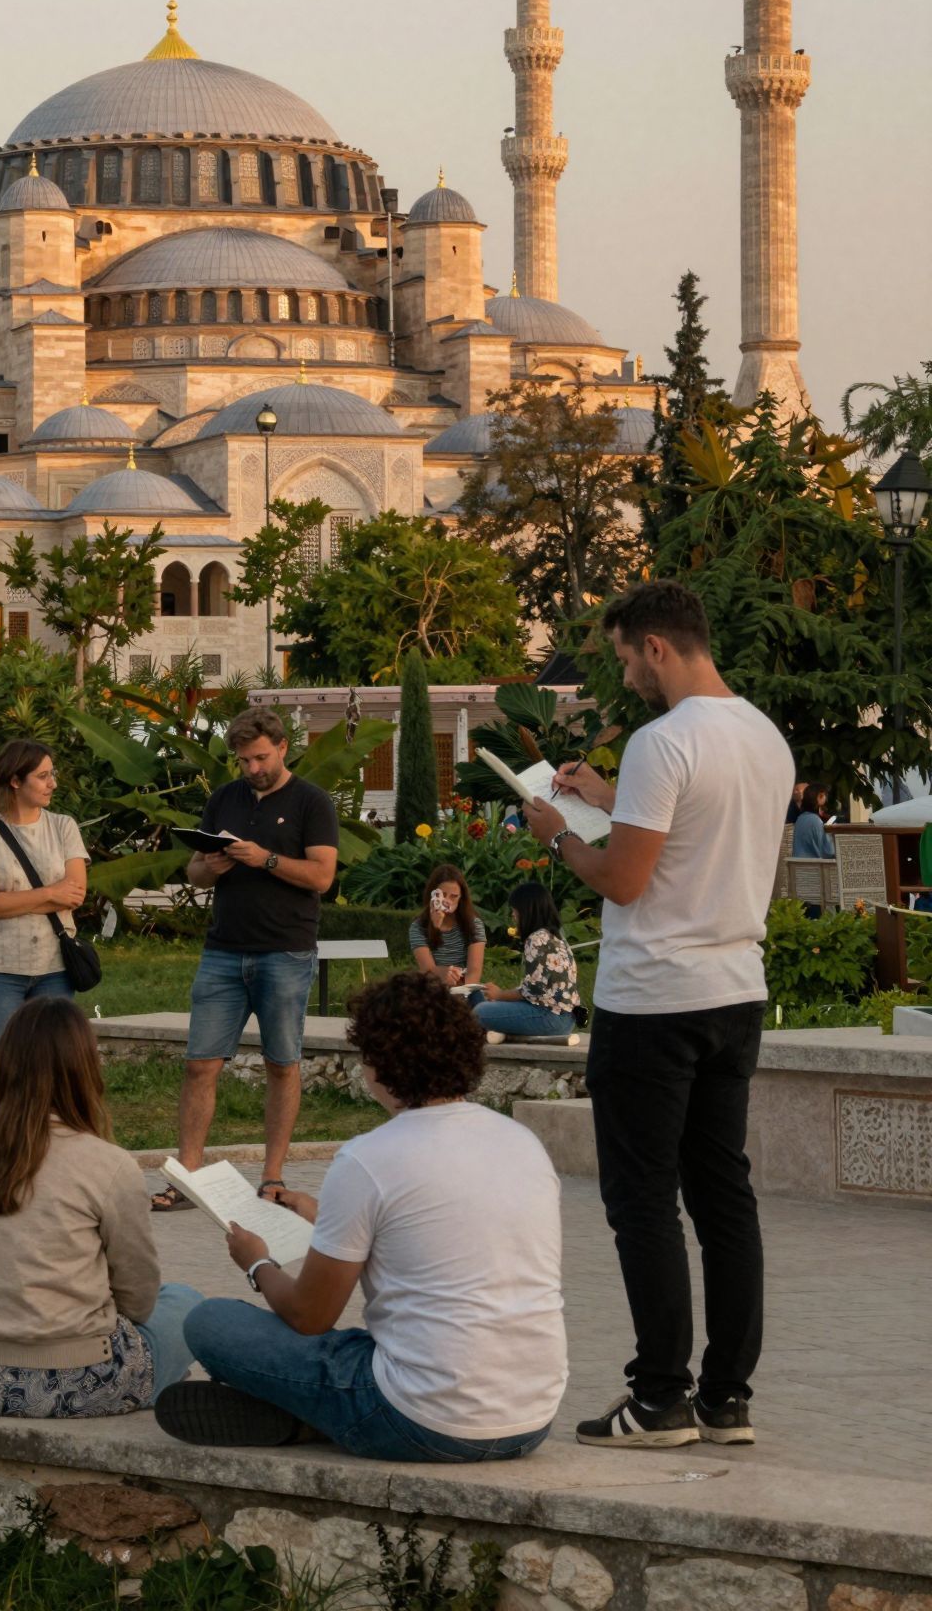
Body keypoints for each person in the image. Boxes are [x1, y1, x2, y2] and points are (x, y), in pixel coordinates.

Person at [523, 578, 792, 1448]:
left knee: (642, 1201)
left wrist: (557, 835)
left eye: (626, 657)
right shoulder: (763, 735)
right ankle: (727, 1399)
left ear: (658, 647)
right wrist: (608, 801)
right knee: (724, 1197)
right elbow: (698, 837)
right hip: (735, 989)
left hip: (652, 1000)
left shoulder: (663, 740)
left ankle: (659, 1397)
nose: (627, 675)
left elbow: (624, 881)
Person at [154, 972, 565, 1460]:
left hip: (423, 1420)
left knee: (210, 1322)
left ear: (376, 1061)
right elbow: (436, 1235)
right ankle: (311, 1412)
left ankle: (314, 1414)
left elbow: (310, 1316)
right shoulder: (521, 1143)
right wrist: (323, 1216)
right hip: (531, 1415)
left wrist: (257, 1264)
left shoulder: (368, 1158)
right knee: (367, 1345)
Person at [0, 997, 203, 1418]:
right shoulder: (108, 1163)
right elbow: (138, 1299)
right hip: (74, 1379)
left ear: (3, 1064)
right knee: (188, 1303)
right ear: (84, 1069)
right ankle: (154, 1377)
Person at [152, 707, 339, 1211]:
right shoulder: (223, 800)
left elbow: (322, 877)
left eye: (260, 758)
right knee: (199, 1065)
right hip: (222, 951)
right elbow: (193, 874)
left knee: (282, 1064)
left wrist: (267, 859)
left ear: (282, 747)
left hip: (285, 951)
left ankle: (272, 1176)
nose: (253, 769)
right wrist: (210, 864)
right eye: (243, 761)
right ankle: (187, 1176)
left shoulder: (311, 802)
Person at [0, 738, 89, 1125]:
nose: (53, 784)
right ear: (15, 781)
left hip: (54, 971)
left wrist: (13, 899)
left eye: (53, 775)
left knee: (52, 1079)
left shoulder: (64, 827)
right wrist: (50, 894)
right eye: (43, 776)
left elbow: (76, 894)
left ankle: (41, 1165)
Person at [470, 882, 580, 1038]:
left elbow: (532, 991)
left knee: (480, 1012)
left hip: (550, 1018)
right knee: (487, 1005)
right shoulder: (556, 936)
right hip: (566, 1019)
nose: (513, 916)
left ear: (526, 911)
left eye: (515, 911)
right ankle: (497, 1031)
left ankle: (491, 1031)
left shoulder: (536, 940)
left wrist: (500, 995)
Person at [408, 863, 485, 988]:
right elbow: (427, 970)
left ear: (461, 898)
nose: (447, 901)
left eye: (453, 896)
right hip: (433, 987)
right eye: (442, 895)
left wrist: (462, 991)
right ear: (432, 895)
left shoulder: (474, 924)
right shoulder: (418, 927)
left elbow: (474, 971)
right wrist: (435, 926)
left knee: (480, 1004)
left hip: (465, 987)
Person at [790, 785, 835, 859]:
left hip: (797, 866)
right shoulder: (816, 821)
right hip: (815, 867)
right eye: (824, 796)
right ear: (819, 796)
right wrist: (831, 836)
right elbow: (828, 852)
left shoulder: (800, 819)